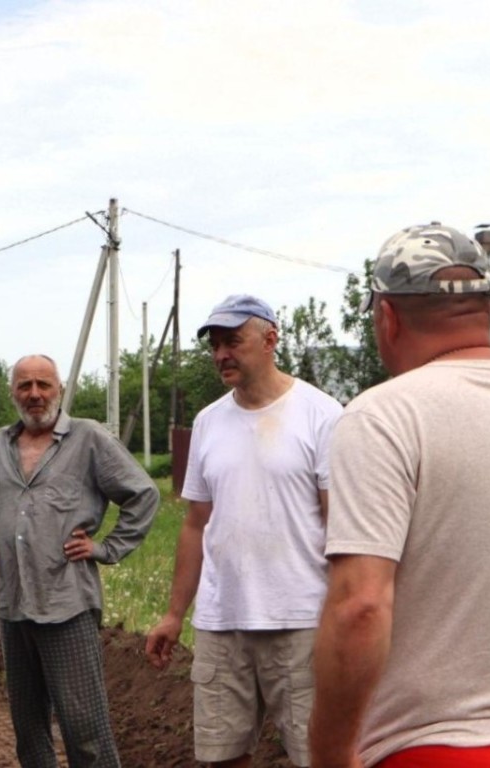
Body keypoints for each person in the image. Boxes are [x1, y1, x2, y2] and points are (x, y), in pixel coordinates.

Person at [309, 224, 490, 767]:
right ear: (486, 310)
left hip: (439, 748)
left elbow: (361, 606)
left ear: (387, 317)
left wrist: (329, 755)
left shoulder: (385, 417)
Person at [145, 294, 343, 767]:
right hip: (221, 621)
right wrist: (175, 613)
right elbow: (196, 524)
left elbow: (340, 524)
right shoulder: (209, 422)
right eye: (214, 345)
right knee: (220, 756)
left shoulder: (322, 414)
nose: (220, 355)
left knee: (314, 754)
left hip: (300, 620)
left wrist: (345, 612)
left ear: (270, 339)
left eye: (232, 342)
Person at [0, 354, 159, 768]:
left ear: (59, 390)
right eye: (25, 386)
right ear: (13, 393)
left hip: (66, 605)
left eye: (44, 385)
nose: (35, 394)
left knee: (85, 729)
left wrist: (106, 548)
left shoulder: (88, 438)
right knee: (28, 729)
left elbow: (142, 494)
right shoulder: (0, 444)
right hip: (13, 603)